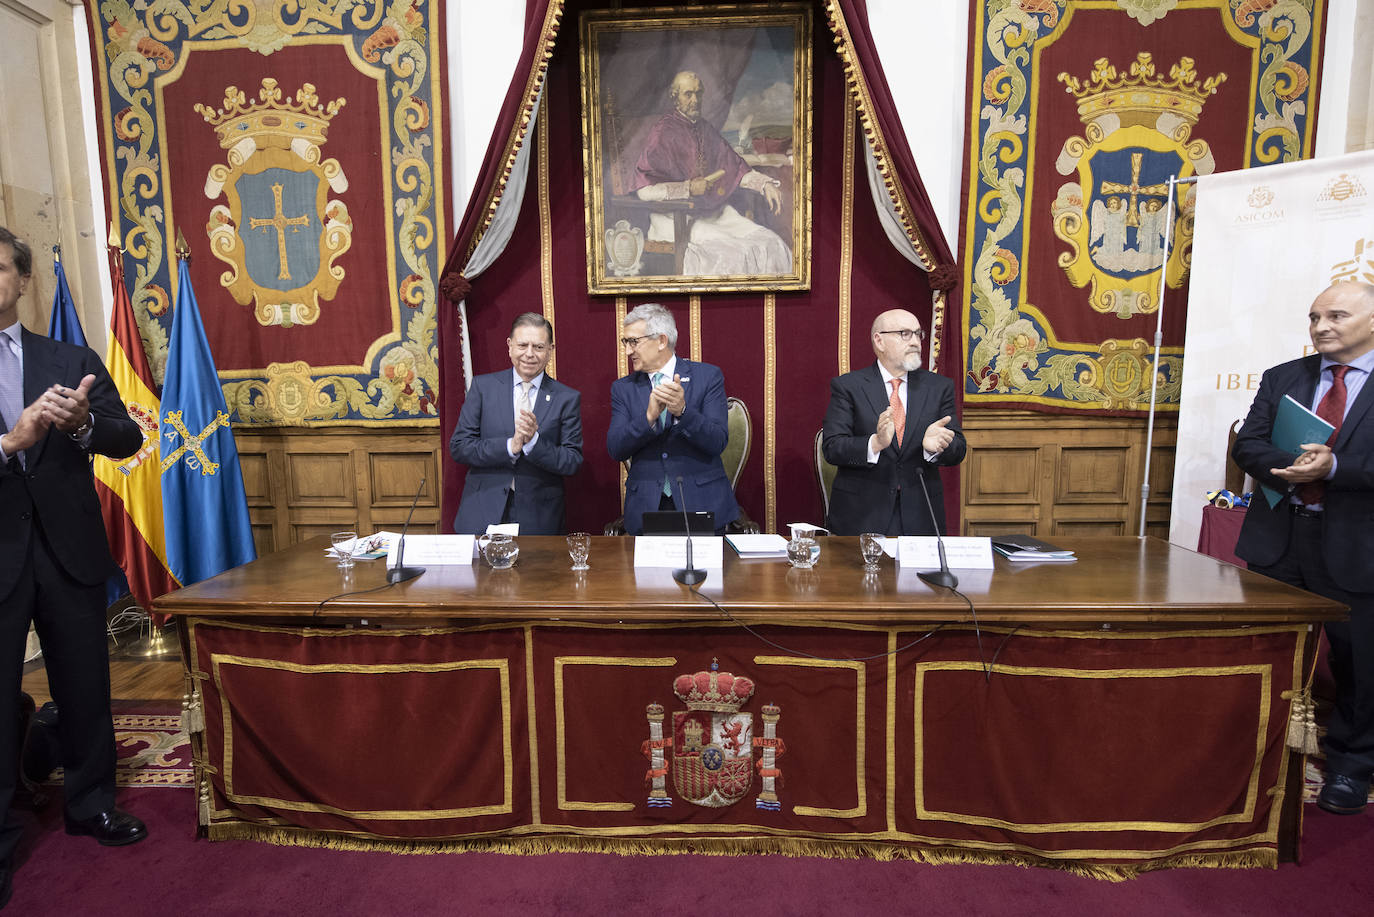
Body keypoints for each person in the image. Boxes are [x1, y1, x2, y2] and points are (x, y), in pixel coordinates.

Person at [0, 226, 147, 905]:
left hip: (69, 553)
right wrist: (12, 441)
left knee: (85, 687)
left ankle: (91, 804)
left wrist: (86, 423)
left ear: (23, 280)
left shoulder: (68, 355)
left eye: (1, 268)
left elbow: (128, 436)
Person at [1232, 280, 1374, 816]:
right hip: (1279, 538)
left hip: (1356, 548)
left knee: (1359, 662)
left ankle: (1351, 766)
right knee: (1265, 653)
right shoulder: (1285, 376)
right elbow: (1249, 442)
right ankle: (1254, 756)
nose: (1321, 327)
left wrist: (1335, 467)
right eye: (1314, 317)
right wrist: (1286, 468)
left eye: (1336, 316)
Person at [822, 308, 966, 535]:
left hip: (920, 516)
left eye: (918, 334)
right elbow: (832, 448)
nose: (916, 342)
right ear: (879, 340)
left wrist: (937, 448)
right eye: (905, 334)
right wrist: (875, 443)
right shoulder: (849, 387)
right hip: (862, 516)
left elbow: (958, 448)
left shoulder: (939, 387)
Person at [633, 70, 792, 276]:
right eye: (688, 94)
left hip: (714, 214)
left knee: (772, 244)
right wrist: (688, 188)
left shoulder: (705, 129)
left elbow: (734, 168)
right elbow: (644, 191)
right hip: (675, 219)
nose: (695, 100)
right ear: (675, 98)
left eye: (698, 93)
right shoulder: (662, 132)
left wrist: (765, 184)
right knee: (735, 254)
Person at [608, 302, 739, 535]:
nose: (628, 351)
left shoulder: (707, 377)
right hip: (647, 507)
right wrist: (648, 417)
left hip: (702, 502)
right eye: (625, 342)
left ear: (661, 340)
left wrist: (683, 412)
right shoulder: (623, 389)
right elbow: (616, 449)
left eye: (633, 342)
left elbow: (718, 441)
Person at [449, 313, 583, 535]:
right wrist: (511, 446)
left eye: (538, 347)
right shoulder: (484, 388)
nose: (529, 354)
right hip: (482, 509)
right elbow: (460, 447)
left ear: (550, 350)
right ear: (510, 346)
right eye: (523, 345)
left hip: (538, 517)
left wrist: (534, 442)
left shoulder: (566, 398)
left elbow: (572, 461)